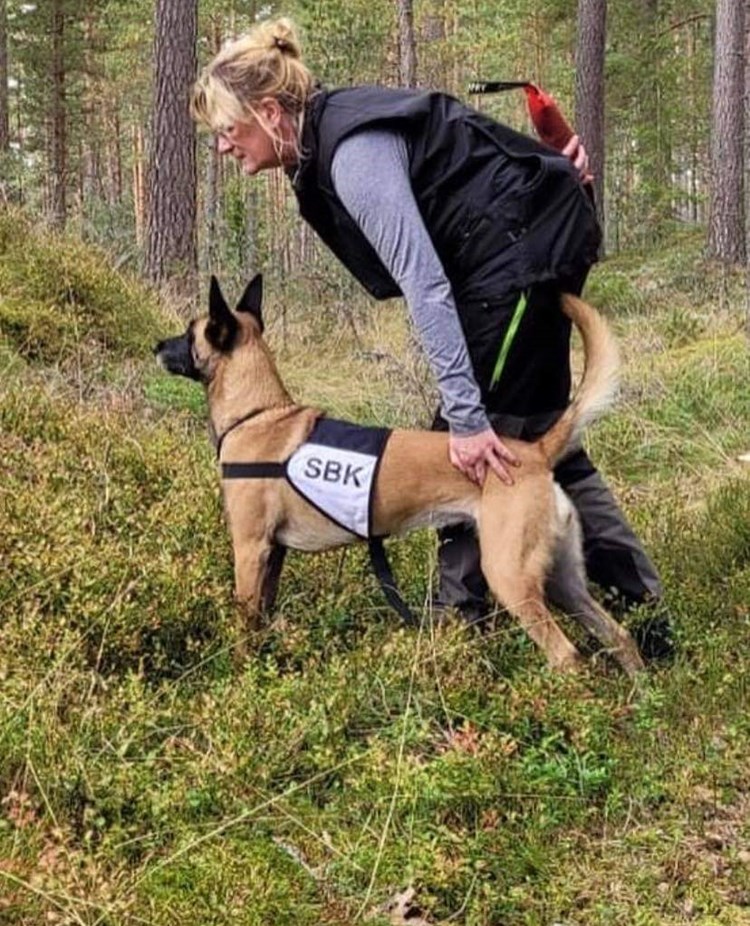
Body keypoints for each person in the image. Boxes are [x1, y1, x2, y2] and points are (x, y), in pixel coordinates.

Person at [191, 17, 671, 657]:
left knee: (469, 448)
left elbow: (424, 280)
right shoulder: (325, 139)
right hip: (520, 252)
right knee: (535, 442)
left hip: (517, 263)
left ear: (271, 113)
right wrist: (554, 169)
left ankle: (462, 635)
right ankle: (644, 623)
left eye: (228, 130)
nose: (223, 147)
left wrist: (466, 418)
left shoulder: (351, 154)